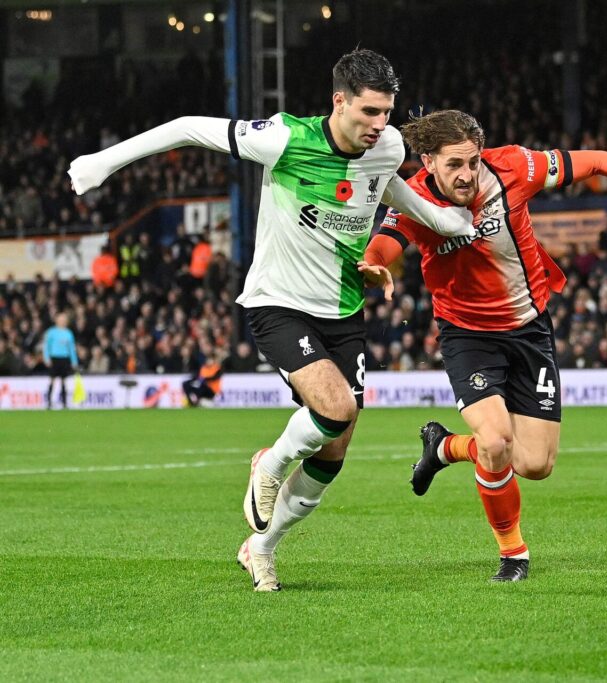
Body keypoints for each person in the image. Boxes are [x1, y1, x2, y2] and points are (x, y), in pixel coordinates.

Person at [69, 49, 475, 592]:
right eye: (370, 112)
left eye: (387, 112)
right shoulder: (285, 139)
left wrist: (439, 219)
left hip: (344, 309)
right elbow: (189, 127)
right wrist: (103, 162)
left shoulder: (390, 146)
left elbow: (387, 187)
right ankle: (269, 462)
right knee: (336, 407)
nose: (381, 125)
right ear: (339, 101)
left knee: (335, 448)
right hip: (278, 303)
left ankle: (261, 547)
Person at [362, 110, 607, 581]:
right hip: (468, 336)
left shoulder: (514, 167)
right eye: (454, 164)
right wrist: (375, 263)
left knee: (534, 464)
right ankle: (513, 554)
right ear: (427, 161)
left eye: (472, 161)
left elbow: (594, 161)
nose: (467, 174)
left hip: (530, 330)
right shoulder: (414, 199)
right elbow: (386, 243)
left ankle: (445, 447)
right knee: (495, 442)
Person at [43, 311, 79, 409]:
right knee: (52, 380)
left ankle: (64, 403)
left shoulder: (69, 333)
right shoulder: (51, 332)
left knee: (64, 381)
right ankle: (49, 403)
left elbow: (71, 348)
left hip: (65, 358)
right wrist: (46, 358)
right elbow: (46, 346)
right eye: (61, 319)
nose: (63, 321)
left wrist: (74, 361)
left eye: (64, 319)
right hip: (54, 358)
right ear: (57, 320)